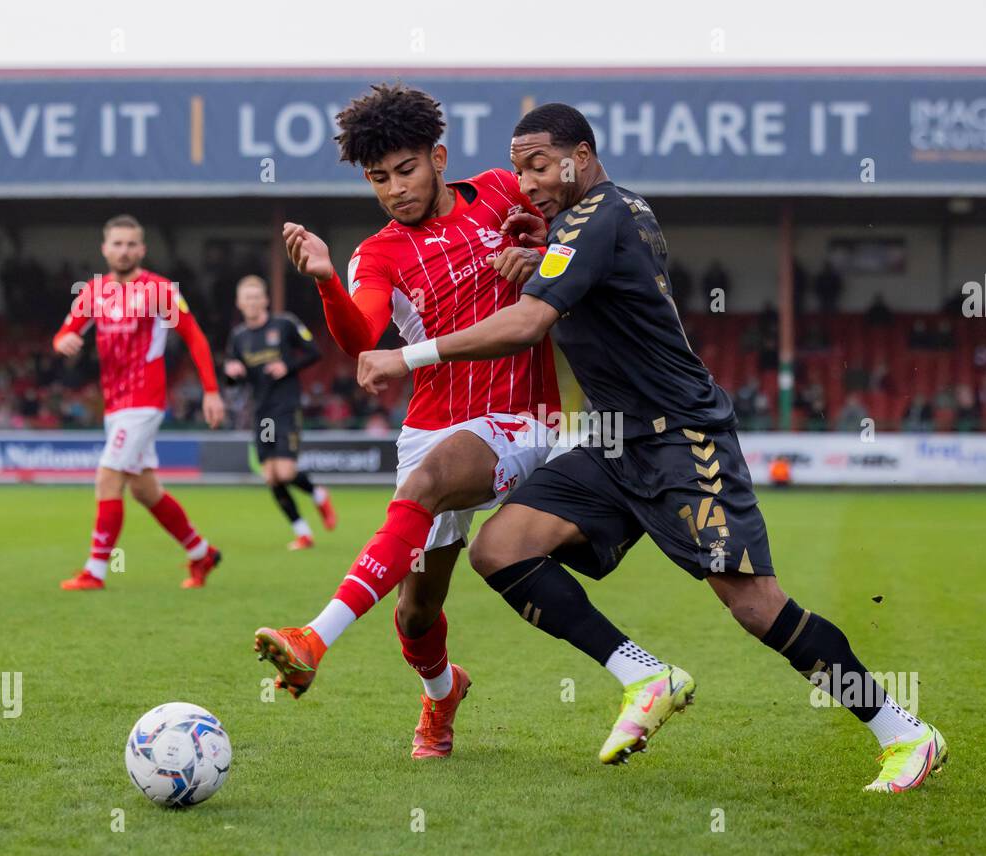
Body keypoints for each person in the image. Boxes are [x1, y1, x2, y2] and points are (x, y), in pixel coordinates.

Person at [358, 103, 947, 791]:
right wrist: (536, 250)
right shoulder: (587, 220)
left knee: (756, 605)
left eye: (540, 165)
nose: (526, 181)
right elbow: (569, 273)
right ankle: (646, 676)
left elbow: (527, 324)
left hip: (681, 437)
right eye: (518, 168)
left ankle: (903, 732)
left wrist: (410, 356)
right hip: (613, 441)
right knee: (500, 547)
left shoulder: (599, 216)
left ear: (582, 152)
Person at [252, 83, 561, 760]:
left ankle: (312, 639)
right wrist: (327, 281)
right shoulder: (379, 254)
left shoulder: (506, 191)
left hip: (520, 418)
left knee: (427, 484)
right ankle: (441, 694)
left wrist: (542, 253)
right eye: (378, 178)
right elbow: (362, 335)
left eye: (407, 169)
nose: (395, 188)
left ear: (439, 156)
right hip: (433, 425)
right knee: (414, 613)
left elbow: (581, 239)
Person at [54, 214, 225, 591]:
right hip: (114, 406)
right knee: (145, 490)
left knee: (108, 476)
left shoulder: (159, 290)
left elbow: (195, 337)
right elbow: (66, 331)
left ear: (142, 249)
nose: (124, 250)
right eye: (117, 243)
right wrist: (62, 342)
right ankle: (201, 553)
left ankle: (95, 571)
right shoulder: (93, 292)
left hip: (145, 401)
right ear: (105, 248)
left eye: (131, 244)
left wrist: (211, 391)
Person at [224, 275, 336, 550]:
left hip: (285, 407)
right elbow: (233, 378)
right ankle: (303, 533)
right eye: (246, 298)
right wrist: (232, 373)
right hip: (262, 412)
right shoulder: (238, 337)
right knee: (271, 476)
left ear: (265, 300)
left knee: (285, 473)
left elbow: (313, 352)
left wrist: (287, 366)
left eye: (256, 297)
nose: (251, 302)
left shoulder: (284, 324)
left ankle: (318, 494)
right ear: (240, 303)